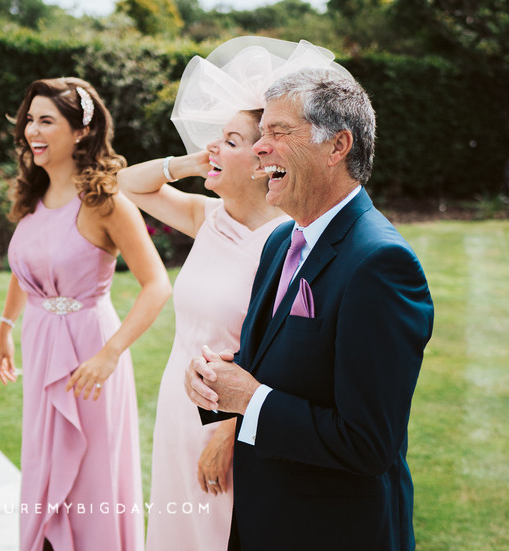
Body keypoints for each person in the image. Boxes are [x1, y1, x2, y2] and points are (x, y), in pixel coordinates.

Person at [119, 36, 354, 551]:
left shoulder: (287, 240)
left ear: (264, 156)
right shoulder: (207, 218)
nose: (214, 149)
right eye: (217, 139)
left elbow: (284, 357)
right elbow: (128, 186)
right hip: (179, 403)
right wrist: (189, 164)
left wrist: (227, 434)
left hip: (230, 417)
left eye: (231, 140)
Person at [186, 68, 434, 550]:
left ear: (337, 146)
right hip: (264, 519)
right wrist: (217, 376)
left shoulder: (381, 263)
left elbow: (369, 443)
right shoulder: (281, 240)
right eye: (261, 136)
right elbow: (274, 362)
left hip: (334, 530)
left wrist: (250, 400)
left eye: (278, 133)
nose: (260, 147)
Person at [0, 77, 171, 551]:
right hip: (40, 342)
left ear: (80, 132)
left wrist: (110, 355)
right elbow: (22, 268)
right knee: (43, 469)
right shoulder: (30, 198)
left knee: (90, 480)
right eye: (29, 119)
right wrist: (6, 327)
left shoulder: (105, 201)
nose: (32, 129)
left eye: (46, 120)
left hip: (91, 355)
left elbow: (156, 285)